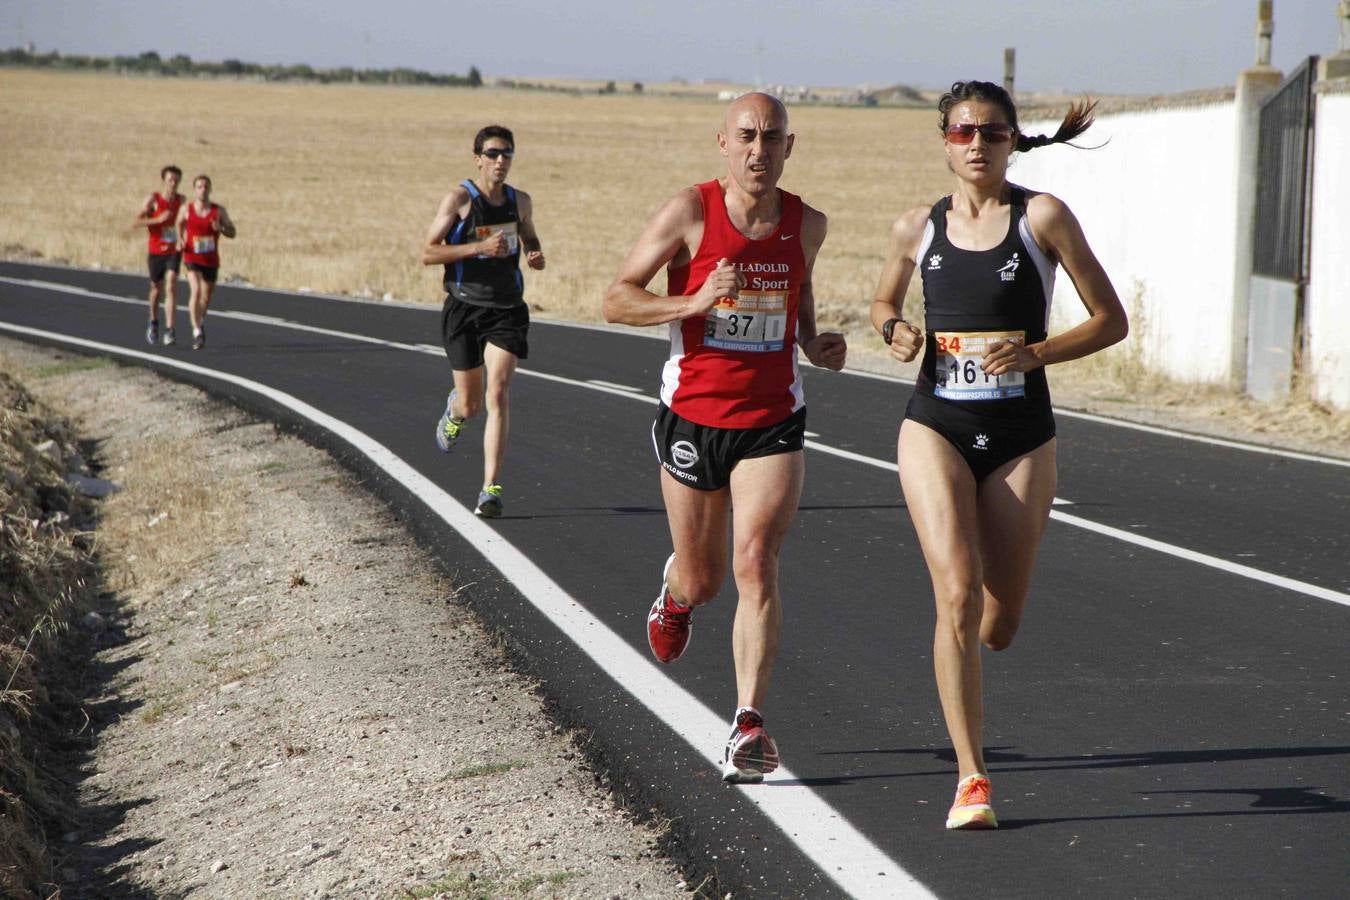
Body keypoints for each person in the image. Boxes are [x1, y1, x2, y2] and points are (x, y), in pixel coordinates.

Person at [870, 80, 1128, 829]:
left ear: (1013, 138)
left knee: (998, 621)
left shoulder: (1042, 216)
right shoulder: (917, 227)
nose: (975, 144)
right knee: (954, 594)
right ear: (944, 141)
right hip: (935, 425)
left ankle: (974, 649)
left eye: (990, 132)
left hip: (1022, 435)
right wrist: (895, 331)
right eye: (961, 132)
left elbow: (1111, 320)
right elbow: (884, 303)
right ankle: (972, 779)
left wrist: (1037, 352)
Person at [603, 93, 847, 784]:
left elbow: (797, 306)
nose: (758, 151)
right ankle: (675, 595)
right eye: (746, 137)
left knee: (756, 561)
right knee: (704, 577)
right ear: (723, 141)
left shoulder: (807, 224)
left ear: (789, 147)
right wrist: (692, 301)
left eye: (772, 139)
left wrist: (815, 343)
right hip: (693, 416)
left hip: (772, 419)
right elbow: (616, 297)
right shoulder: (690, 212)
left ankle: (747, 722)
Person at [420, 124, 545, 518]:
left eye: (506, 153)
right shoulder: (460, 199)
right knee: (472, 403)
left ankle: (490, 488)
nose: (500, 160)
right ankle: (455, 412)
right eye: (492, 153)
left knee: (499, 393)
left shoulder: (520, 201)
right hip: (464, 308)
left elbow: (530, 237)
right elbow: (427, 252)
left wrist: (535, 253)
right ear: (477, 158)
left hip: (507, 308)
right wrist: (478, 247)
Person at [174, 175, 236, 350]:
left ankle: (199, 320)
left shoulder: (219, 211)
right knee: (196, 291)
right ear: (195, 190)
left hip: (211, 259)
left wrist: (222, 229)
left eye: (206, 187)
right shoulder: (187, 209)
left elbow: (233, 232)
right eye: (199, 187)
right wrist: (180, 239)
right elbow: (178, 223)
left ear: (210, 189)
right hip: (192, 256)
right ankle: (197, 331)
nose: (203, 190)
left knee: (206, 297)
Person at [132, 165, 185, 346]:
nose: (173, 183)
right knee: (156, 288)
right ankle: (153, 321)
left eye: (177, 180)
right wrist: (157, 219)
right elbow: (136, 221)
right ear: (164, 180)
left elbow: (186, 222)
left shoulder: (181, 201)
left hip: (174, 249)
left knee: (171, 285)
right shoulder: (153, 200)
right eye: (170, 179)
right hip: (155, 250)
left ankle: (170, 330)